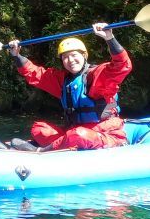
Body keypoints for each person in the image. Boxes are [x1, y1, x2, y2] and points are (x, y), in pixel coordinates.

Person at [7, 23, 132, 151]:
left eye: (74, 55)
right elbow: (35, 74)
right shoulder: (63, 81)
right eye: (65, 57)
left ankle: (42, 151)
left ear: (84, 55)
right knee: (39, 129)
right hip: (74, 132)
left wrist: (109, 38)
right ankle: (61, 145)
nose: (70, 60)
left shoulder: (96, 76)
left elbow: (121, 66)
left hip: (104, 135)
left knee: (78, 134)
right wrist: (16, 55)